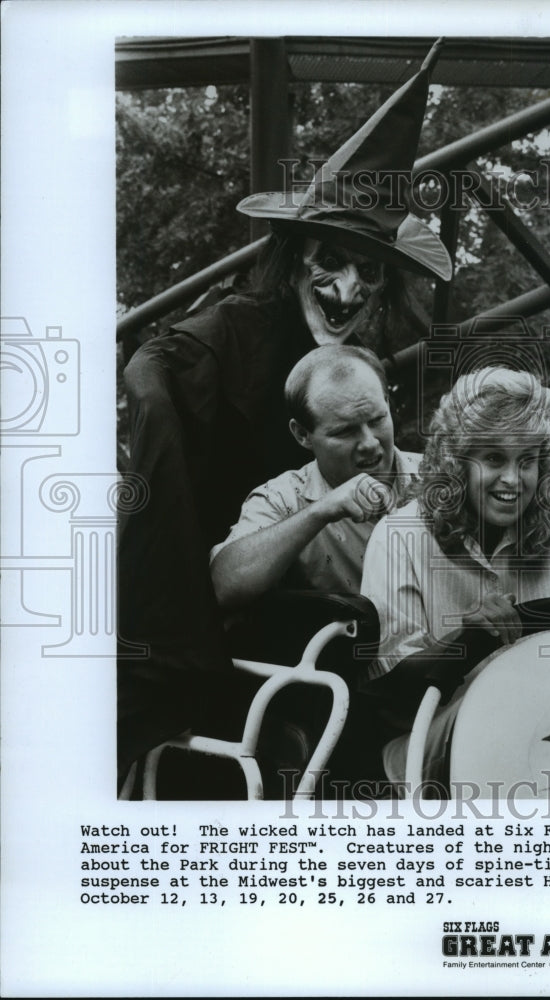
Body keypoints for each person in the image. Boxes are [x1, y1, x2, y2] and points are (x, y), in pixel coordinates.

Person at [117, 40, 451, 781]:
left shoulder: (361, 367)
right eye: (329, 261)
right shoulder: (230, 332)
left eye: (368, 272)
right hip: (225, 584)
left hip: (329, 596)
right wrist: (160, 440)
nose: (346, 290)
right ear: (296, 254)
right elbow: (151, 366)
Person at [360, 367, 550, 786]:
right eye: (493, 458)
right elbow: (387, 695)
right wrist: (462, 642)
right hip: (437, 745)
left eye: (527, 461)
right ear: (457, 463)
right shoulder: (399, 537)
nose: (512, 479)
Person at [209, 345, 419, 606]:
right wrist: (320, 511)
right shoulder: (281, 499)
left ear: (387, 402)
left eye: (377, 420)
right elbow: (224, 585)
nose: (369, 443)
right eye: (345, 431)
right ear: (302, 434)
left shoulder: (441, 473)